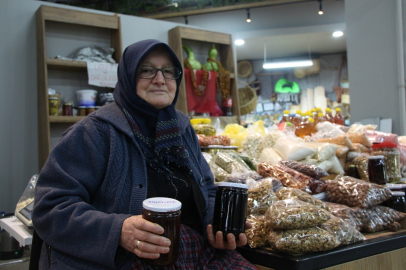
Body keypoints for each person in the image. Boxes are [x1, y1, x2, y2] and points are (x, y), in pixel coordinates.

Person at [32, 39, 257, 270]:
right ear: (129, 76)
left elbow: (207, 188)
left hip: (197, 251)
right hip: (128, 261)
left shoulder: (181, 126)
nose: (160, 79)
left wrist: (214, 222)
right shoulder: (94, 132)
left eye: (168, 71)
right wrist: (119, 231)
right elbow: (50, 208)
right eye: (147, 70)